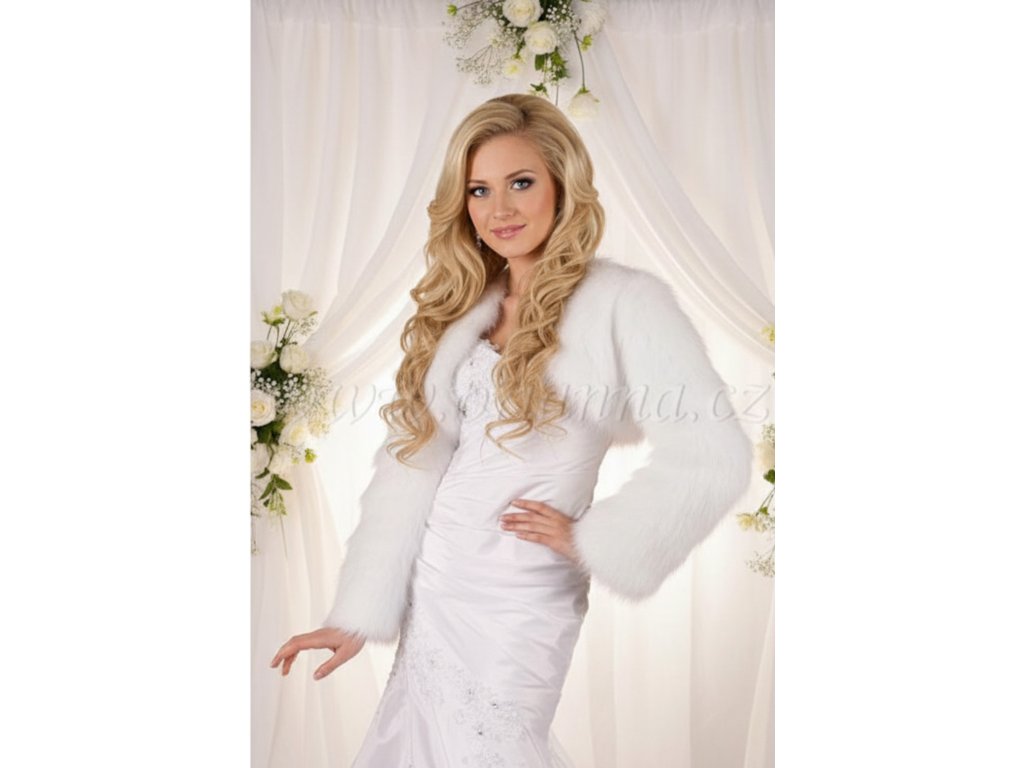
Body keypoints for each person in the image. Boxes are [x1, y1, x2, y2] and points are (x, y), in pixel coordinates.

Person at [271, 93, 753, 766]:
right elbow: (412, 464)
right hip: (438, 578)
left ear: (562, 185)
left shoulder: (623, 303)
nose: (499, 209)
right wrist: (358, 613)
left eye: (521, 183)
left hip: (524, 590)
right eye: (479, 190)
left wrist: (593, 539)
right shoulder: (467, 307)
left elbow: (714, 455)